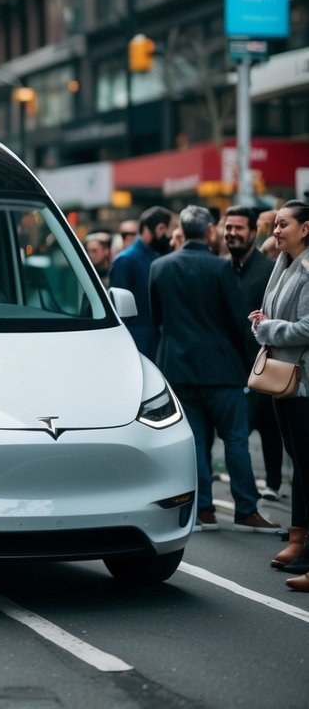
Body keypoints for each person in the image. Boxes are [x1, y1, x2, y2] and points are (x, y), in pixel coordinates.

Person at [150, 204, 278, 534]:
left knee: (195, 444)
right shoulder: (220, 268)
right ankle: (246, 509)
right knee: (235, 442)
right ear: (209, 231)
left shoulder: (160, 267)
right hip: (222, 371)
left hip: (178, 369)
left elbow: (157, 320)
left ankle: (203, 510)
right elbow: (238, 321)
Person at [248, 200, 309, 591]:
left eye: (283, 225)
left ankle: (303, 546)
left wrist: (267, 329)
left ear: (306, 228)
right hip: (281, 377)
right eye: (275, 225)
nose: (276, 231)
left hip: (302, 380)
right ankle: (298, 539)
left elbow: (306, 327)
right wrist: (263, 320)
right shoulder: (283, 263)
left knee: (306, 465)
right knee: (299, 465)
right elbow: (274, 312)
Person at [223, 206, 283, 502]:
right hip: (228, 366)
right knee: (235, 435)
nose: (232, 233)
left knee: (269, 428)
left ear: (252, 232)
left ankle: (272, 483)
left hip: (263, 363)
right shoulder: (219, 268)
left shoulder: (269, 271)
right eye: (228, 227)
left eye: (238, 228)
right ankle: (243, 495)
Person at [108, 205, 172, 359]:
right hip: (136, 344)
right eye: (170, 230)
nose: (170, 237)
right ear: (160, 228)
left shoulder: (156, 256)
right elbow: (117, 310)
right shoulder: (126, 260)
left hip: (154, 342)